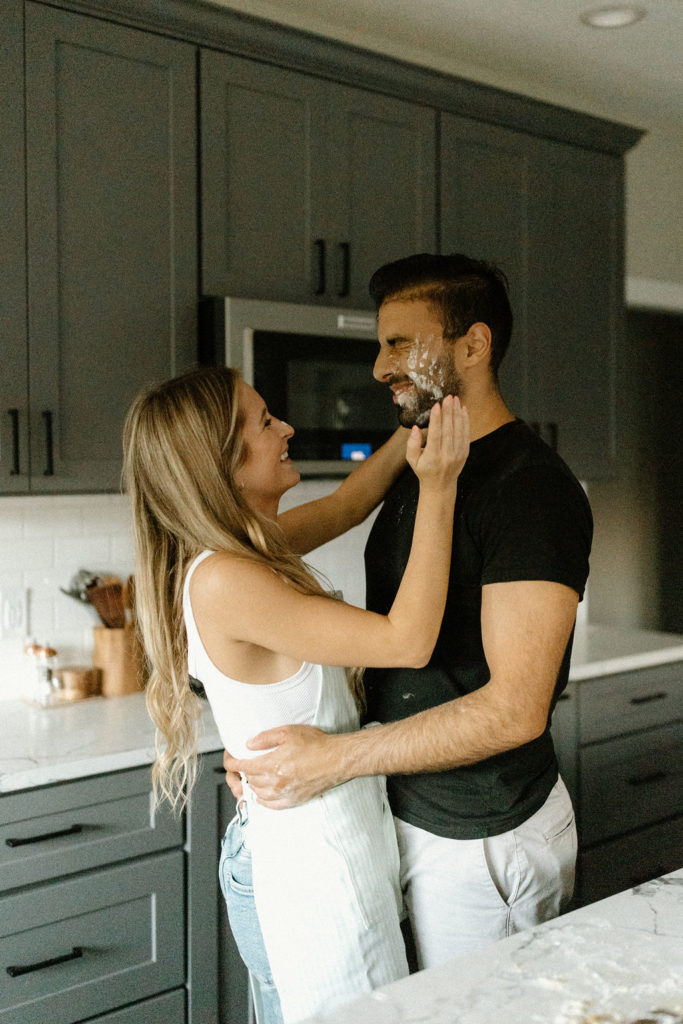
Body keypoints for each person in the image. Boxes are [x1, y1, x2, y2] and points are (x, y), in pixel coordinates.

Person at [225, 252, 593, 971]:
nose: (377, 367)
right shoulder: (427, 466)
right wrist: (283, 750)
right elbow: (408, 648)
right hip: (410, 814)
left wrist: (333, 759)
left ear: (473, 345)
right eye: (378, 345)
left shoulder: (527, 490)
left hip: (482, 837)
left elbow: (516, 708)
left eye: (398, 343)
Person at [122, 365, 470, 1023]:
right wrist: (440, 486)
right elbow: (407, 641)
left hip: (317, 855)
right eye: (262, 422)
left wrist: (415, 423)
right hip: (313, 879)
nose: (286, 428)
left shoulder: (245, 550)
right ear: (219, 465)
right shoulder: (226, 577)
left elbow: (346, 504)